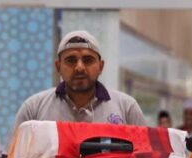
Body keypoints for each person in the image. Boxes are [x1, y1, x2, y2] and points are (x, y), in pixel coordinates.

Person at [13, 30, 147, 129]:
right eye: (71, 60)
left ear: (101, 66)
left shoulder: (126, 108)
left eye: (88, 60)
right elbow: (14, 157)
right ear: (58, 66)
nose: (79, 67)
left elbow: (146, 156)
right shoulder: (33, 109)